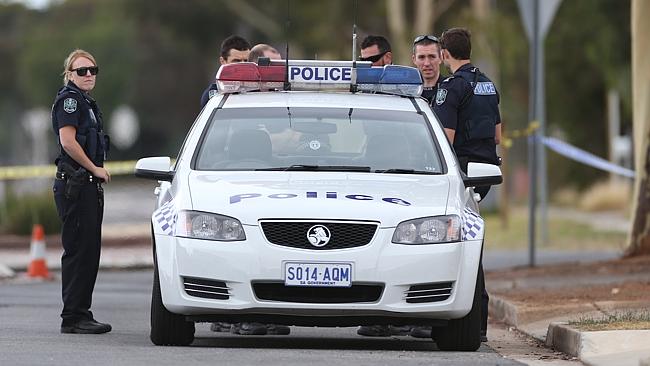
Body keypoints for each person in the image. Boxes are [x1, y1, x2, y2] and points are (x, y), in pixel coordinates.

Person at [434, 27, 502, 343]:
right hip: (483, 173)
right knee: (471, 243)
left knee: (458, 245)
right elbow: (498, 135)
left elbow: (444, 140)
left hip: (460, 173)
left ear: (445, 54)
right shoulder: (487, 83)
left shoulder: (452, 87)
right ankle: (480, 324)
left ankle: (465, 319)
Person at [51, 49, 111, 334]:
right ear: (69, 74)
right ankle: (72, 317)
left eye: (92, 70)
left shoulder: (86, 102)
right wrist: (94, 168)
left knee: (89, 251)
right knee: (78, 251)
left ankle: (81, 313)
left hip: (86, 186)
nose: (88, 75)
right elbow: (68, 141)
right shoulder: (71, 102)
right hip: (75, 185)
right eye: (81, 71)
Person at [200, 35, 251, 109]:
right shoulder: (213, 96)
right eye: (236, 61)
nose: (242, 65)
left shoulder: (262, 91)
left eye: (246, 61)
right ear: (223, 61)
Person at [412, 35, 443, 106]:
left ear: (441, 58)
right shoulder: (406, 92)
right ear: (414, 59)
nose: (427, 63)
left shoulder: (452, 89)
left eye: (432, 57)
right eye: (421, 57)